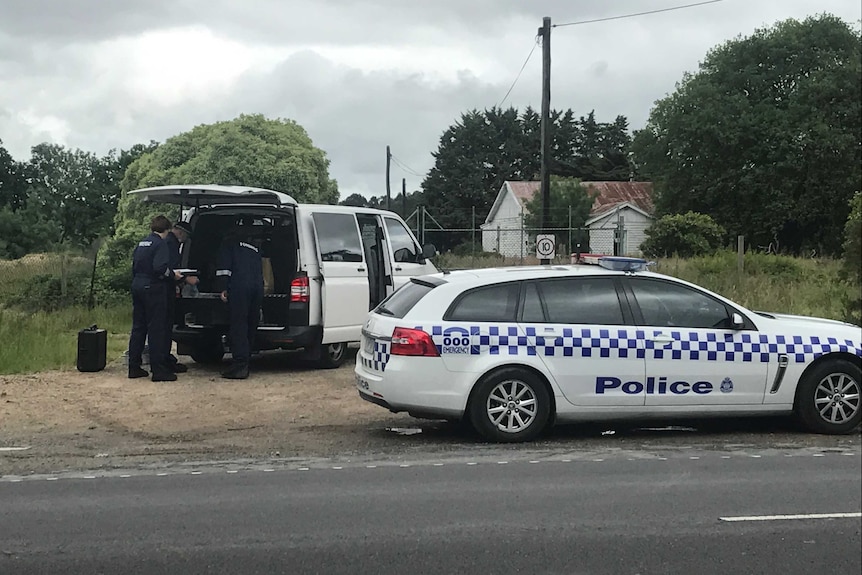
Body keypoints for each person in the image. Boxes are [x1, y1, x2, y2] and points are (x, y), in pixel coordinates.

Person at [128, 215, 183, 382]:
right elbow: (160, 268)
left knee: (138, 328)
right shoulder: (161, 244)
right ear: (166, 230)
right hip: (153, 288)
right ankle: (159, 371)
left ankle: (134, 367)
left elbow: (135, 266)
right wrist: (174, 275)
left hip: (137, 285)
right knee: (156, 329)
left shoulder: (142, 243)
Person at [215, 224, 264, 379]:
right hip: (257, 289)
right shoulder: (254, 248)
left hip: (239, 288)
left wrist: (222, 287)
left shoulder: (229, 244)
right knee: (250, 324)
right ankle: (246, 359)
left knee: (238, 326)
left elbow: (224, 269)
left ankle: (240, 365)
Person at [164, 220, 198, 373]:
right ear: (180, 231)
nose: (185, 239)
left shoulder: (170, 243)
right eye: (186, 235)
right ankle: (164, 360)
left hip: (164, 288)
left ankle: (164, 358)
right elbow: (169, 269)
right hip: (163, 290)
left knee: (164, 326)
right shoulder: (170, 244)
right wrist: (185, 280)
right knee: (164, 326)